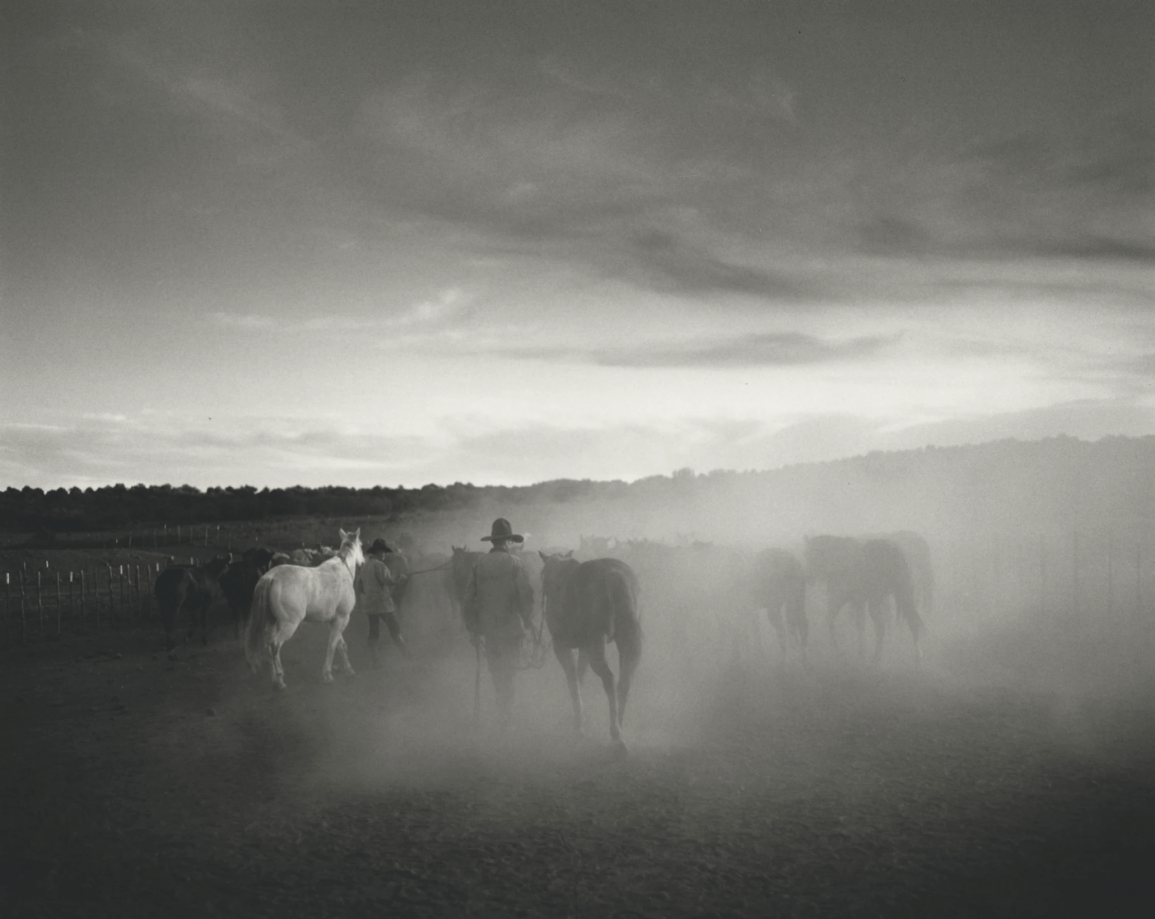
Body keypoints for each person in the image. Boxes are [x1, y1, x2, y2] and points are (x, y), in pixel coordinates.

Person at [464, 518, 535, 727]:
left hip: (489, 629)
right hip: (511, 627)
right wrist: (528, 620)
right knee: (510, 671)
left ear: (493, 541)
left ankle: (502, 709)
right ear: (508, 541)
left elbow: (468, 599)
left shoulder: (478, 564)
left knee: (496, 671)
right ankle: (507, 714)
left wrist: (473, 628)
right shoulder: (515, 563)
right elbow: (526, 594)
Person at [355, 538, 410, 667]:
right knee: (395, 629)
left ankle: (375, 660)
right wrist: (399, 578)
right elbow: (388, 580)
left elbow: (359, 587)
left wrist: (370, 592)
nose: (385, 554)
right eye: (384, 552)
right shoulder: (379, 565)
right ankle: (407, 655)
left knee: (373, 632)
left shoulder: (364, 567)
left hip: (370, 605)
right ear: (378, 552)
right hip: (383, 604)